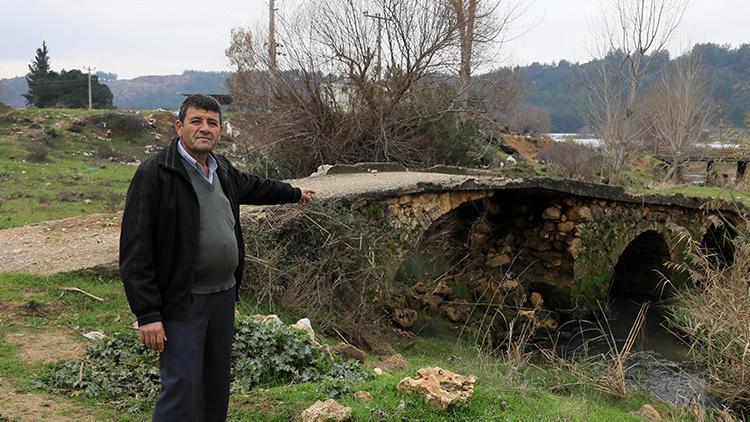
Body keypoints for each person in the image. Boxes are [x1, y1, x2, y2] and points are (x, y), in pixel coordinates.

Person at [119, 94, 314, 421]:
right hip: (182, 301)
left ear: (220, 130)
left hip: (223, 297)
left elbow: (255, 186)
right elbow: (136, 248)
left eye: (212, 123)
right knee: (181, 388)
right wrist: (148, 313)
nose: (205, 128)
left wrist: (293, 193)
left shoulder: (221, 168)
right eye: (196, 121)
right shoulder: (156, 173)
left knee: (215, 387)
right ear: (179, 126)